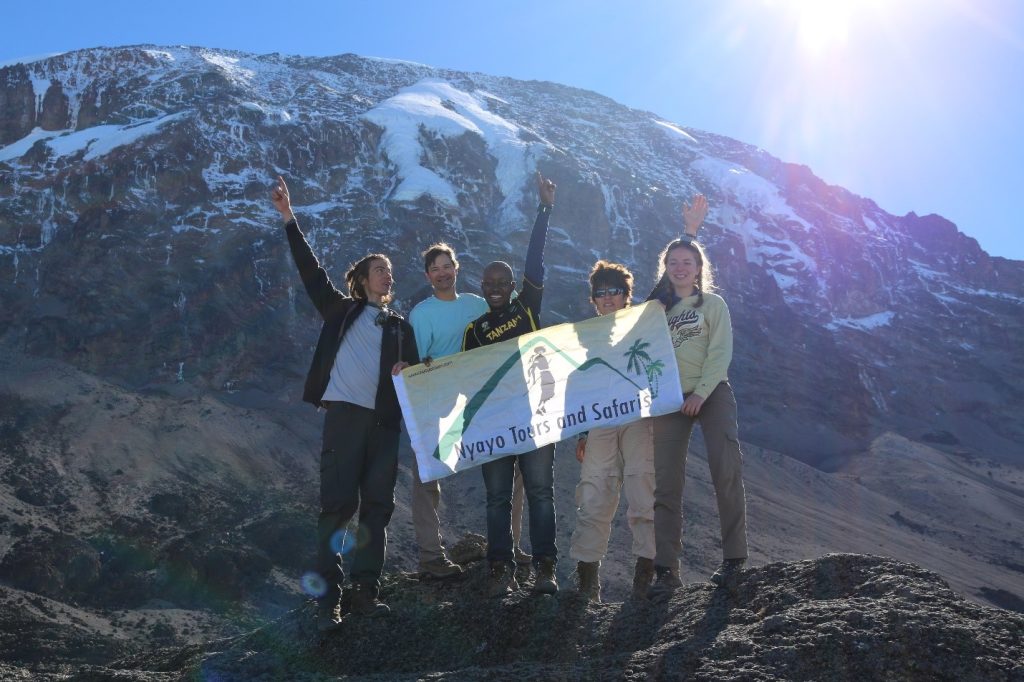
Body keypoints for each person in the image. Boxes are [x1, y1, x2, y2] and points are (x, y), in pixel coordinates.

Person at [271, 176, 419, 632]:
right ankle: (327, 600)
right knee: (336, 508)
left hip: (384, 429)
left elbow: (420, 379)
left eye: (390, 271)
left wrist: (410, 373)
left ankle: (364, 593)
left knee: (378, 509)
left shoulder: (401, 328)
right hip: (344, 421)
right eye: (380, 269)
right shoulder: (341, 311)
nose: (387, 275)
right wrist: (288, 218)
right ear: (361, 280)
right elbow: (310, 272)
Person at [646, 194, 749, 596]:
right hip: (670, 400)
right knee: (667, 483)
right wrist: (686, 233)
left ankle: (735, 559)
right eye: (673, 263)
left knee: (726, 467)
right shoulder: (658, 309)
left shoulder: (713, 305)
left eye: (687, 262)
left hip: (712, 394)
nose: (680, 268)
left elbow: (720, 353)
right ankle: (666, 568)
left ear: (699, 268)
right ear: (666, 270)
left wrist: (702, 394)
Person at [407, 243, 530, 576]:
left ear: (457, 269)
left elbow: (513, 321)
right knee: (428, 475)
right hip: (439, 402)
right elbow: (415, 363)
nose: (443, 272)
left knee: (508, 468)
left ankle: (508, 544)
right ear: (428, 275)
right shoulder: (421, 314)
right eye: (436, 268)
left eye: (448, 266)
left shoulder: (478, 304)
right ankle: (431, 556)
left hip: (481, 400)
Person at [462, 171, 558, 596]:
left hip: (536, 418)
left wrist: (544, 210)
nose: (496, 288)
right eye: (489, 284)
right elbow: (462, 381)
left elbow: (535, 260)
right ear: (481, 288)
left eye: (503, 283)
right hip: (496, 424)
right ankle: (500, 569)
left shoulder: (528, 310)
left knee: (540, 493)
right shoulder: (475, 331)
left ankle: (544, 570)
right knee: (498, 498)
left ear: (514, 288)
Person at [569, 260, 657, 602]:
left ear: (626, 296)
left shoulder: (641, 326)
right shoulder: (581, 336)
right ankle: (587, 579)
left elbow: (667, 288)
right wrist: (581, 432)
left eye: (614, 292)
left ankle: (646, 575)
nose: (607, 299)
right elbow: (576, 384)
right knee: (593, 494)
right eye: (600, 293)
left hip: (638, 417)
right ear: (594, 299)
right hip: (599, 422)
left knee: (642, 486)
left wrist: (689, 234)